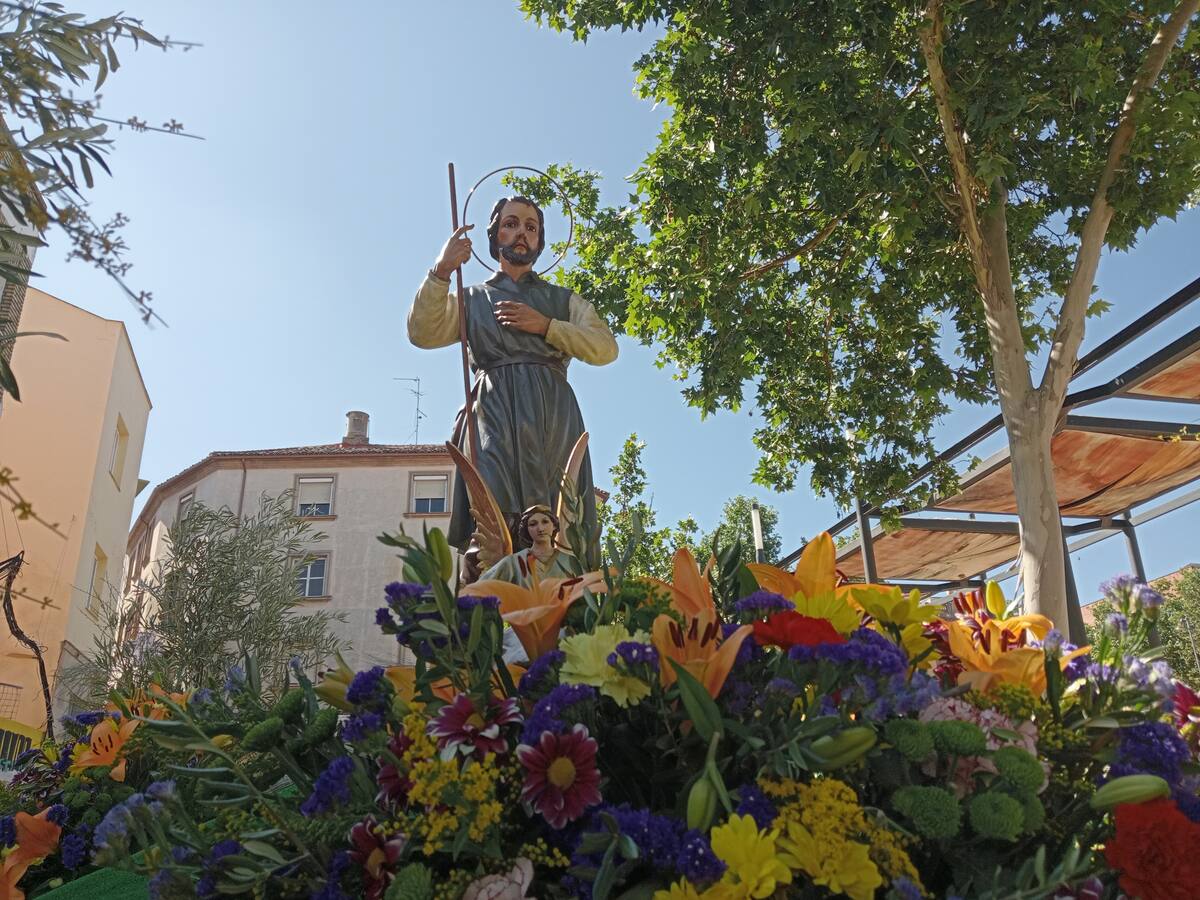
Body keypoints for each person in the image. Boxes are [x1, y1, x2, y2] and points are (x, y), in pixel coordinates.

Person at [408, 195, 617, 552]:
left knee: (559, 507)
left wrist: (547, 326)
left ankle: (560, 578)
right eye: (511, 223)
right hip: (494, 411)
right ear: (495, 235)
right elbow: (422, 332)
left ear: (540, 240)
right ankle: (495, 578)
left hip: (552, 414)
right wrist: (441, 271)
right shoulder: (471, 298)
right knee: (493, 505)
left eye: (531, 227)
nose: (522, 232)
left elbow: (605, 348)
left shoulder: (563, 301)